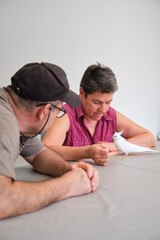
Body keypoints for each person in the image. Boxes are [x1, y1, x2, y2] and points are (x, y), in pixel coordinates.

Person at [0, 62, 99, 220]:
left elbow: (38, 154)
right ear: (44, 111)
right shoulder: (4, 124)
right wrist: (67, 186)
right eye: (59, 111)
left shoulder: (15, 115)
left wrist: (69, 169)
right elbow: (3, 200)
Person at [42, 63, 156, 165]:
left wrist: (114, 146)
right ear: (81, 93)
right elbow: (45, 149)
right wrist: (87, 152)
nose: (103, 109)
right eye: (97, 102)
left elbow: (149, 138)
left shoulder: (110, 115)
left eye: (108, 102)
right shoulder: (66, 115)